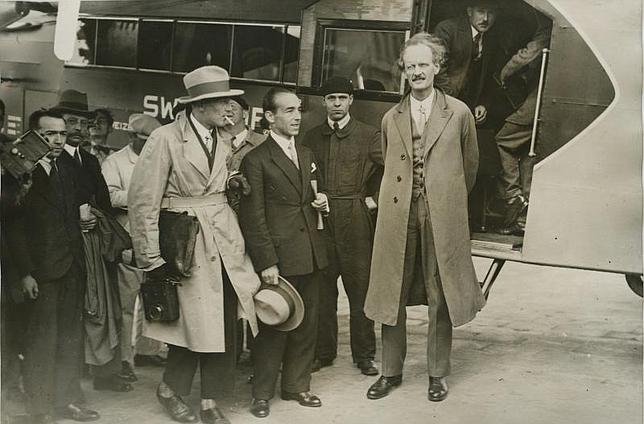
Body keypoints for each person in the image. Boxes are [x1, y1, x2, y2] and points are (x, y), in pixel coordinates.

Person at [128, 66, 261, 424]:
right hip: (185, 241)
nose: (230, 108)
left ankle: (209, 400)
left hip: (223, 239)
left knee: (224, 321)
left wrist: (232, 182)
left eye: (230, 101)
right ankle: (171, 389)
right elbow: (143, 200)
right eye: (221, 101)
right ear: (199, 106)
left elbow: (214, 179)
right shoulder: (166, 138)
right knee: (192, 325)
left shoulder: (223, 136)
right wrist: (150, 257)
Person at [363, 32, 485, 403]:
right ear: (404, 70)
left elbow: (470, 166)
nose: (417, 71)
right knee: (392, 291)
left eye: (423, 64)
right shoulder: (390, 117)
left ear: (437, 67)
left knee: (440, 292)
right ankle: (391, 371)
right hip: (398, 213)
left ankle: (437, 374)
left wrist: (443, 199)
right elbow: (387, 162)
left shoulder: (459, 113)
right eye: (411, 65)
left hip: (441, 214)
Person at [239, 87, 329, 419]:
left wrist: (324, 202)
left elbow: (313, 196)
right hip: (278, 258)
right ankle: (261, 394)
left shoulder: (305, 153)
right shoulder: (256, 159)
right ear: (269, 117)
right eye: (288, 111)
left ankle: (296, 386)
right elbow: (253, 217)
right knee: (273, 326)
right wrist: (266, 263)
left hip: (310, 252)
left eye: (299, 110)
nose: (296, 117)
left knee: (306, 325)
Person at [10, 109, 100, 423]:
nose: (58, 140)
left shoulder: (67, 167)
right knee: (41, 342)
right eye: (49, 134)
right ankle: (41, 409)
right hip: (41, 271)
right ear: (33, 136)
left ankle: (66, 401)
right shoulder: (19, 171)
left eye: (61, 134)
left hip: (71, 267)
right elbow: (13, 227)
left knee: (69, 339)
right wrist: (25, 272)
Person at [302, 76, 383, 376]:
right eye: (331, 98)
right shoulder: (311, 137)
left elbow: (392, 170)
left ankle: (364, 354)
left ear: (351, 101)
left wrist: (374, 199)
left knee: (360, 288)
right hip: (321, 220)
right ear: (323, 102)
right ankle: (324, 352)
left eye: (342, 98)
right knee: (323, 290)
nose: (336, 103)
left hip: (356, 219)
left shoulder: (368, 135)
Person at [52, 89, 130, 393]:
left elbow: (104, 202)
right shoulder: (54, 159)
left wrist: (98, 217)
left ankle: (104, 374)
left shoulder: (89, 160)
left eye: (83, 123)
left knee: (104, 311)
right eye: (70, 122)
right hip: (69, 249)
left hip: (96, 248)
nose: (77, 129)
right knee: (78, 314)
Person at [101, 113, 166, 383]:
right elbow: (108, 196)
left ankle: (147, 349)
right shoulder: (114, 162)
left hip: (156, 239)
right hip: (127, 239)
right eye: (145, 140)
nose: (150, 144)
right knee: (126, 305)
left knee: (154, 300)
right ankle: (125, 359)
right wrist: (143, 197)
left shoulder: (160, 159)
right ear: (131, 137)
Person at [494, 19, 552, 235]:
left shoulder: (547, 20)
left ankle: (513, 196)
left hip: (541, 95)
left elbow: (531, 52)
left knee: (503, 140)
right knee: (530, 153)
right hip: (544, 93)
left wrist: (505, 72)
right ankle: (523, 219)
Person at [434, 0, 502, 126]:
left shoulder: (492, 38)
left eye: (491, 13)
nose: (485, 18)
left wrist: (482, 103)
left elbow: (490, 75)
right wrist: (450, 101)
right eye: (481, 11)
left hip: (469, 105)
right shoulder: (447, 29)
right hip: (443, 101)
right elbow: (437, 68)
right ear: (469, 11)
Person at [220, 96, 267, 213]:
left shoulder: (263, 143)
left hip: (249, 211)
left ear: (245, 113)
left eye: (233, 107)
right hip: (216, 212)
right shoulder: (211, 140)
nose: (228, 111)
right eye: (224, 107)